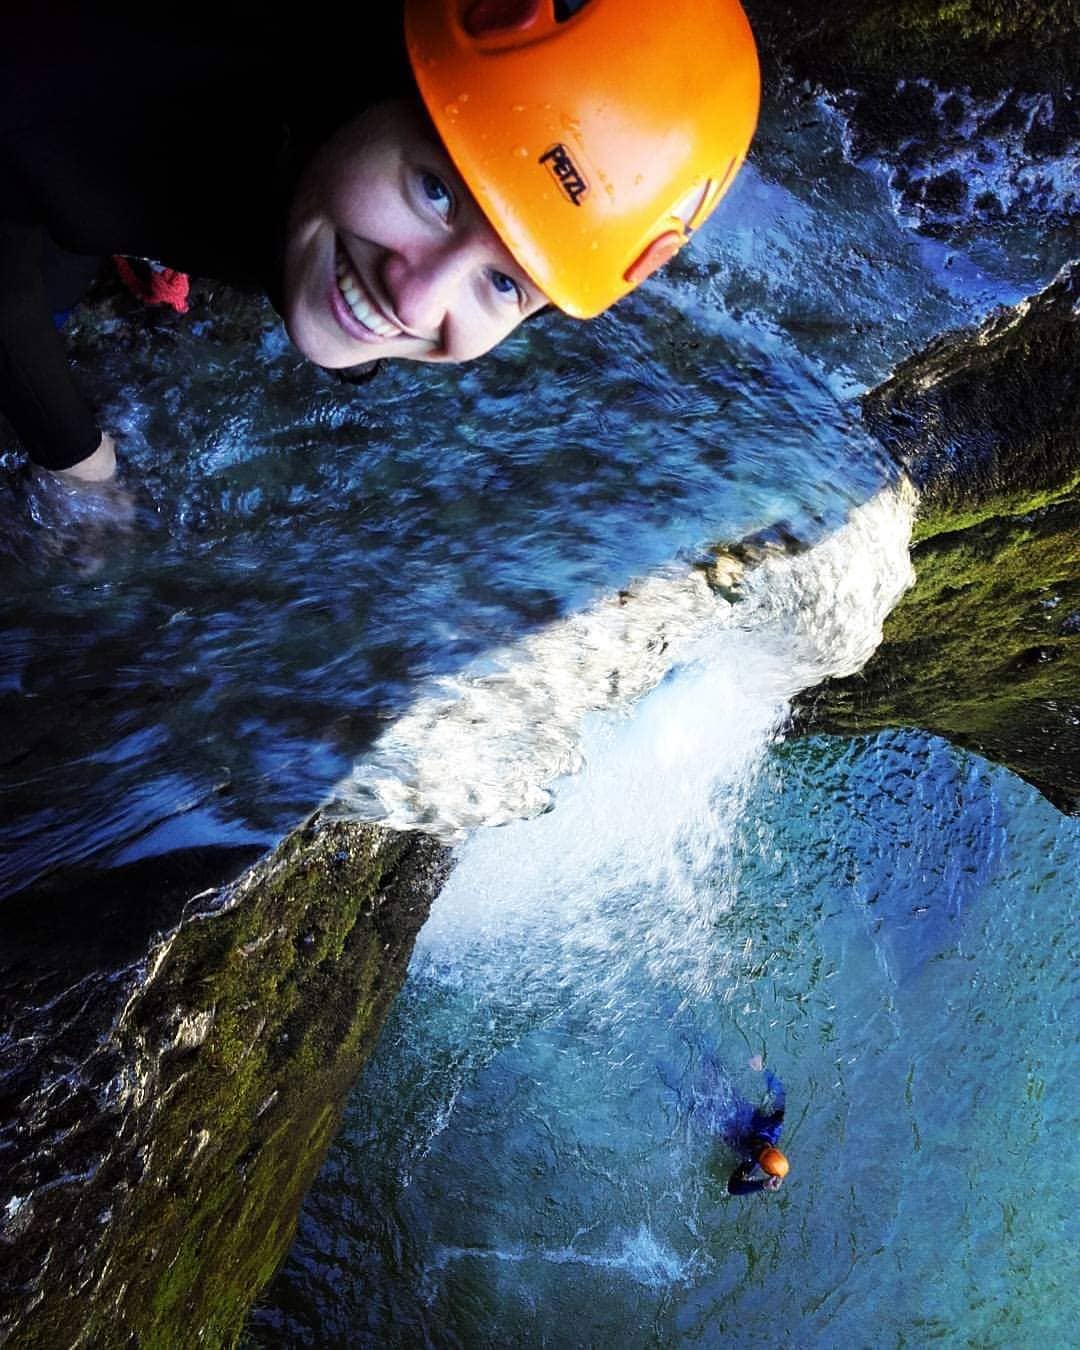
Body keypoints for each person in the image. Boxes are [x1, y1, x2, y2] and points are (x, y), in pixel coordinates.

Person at [1, 0, 759, 490]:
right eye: (437, 191)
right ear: (368, 86)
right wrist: (77, 456)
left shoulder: (326, 130)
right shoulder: (64, 92)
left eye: (506, 285)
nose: (415, 300)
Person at [725, 1060, 789, 1196]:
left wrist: (763, 1185)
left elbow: (732, 1188)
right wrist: (763, 1069)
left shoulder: (751, 1163)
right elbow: (780, 1093)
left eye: (758, 1154)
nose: (757, 1148)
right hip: (730, 1101)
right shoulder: (774, 1126)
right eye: (763, 1149)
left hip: (718, 1120)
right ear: (773, 1148)